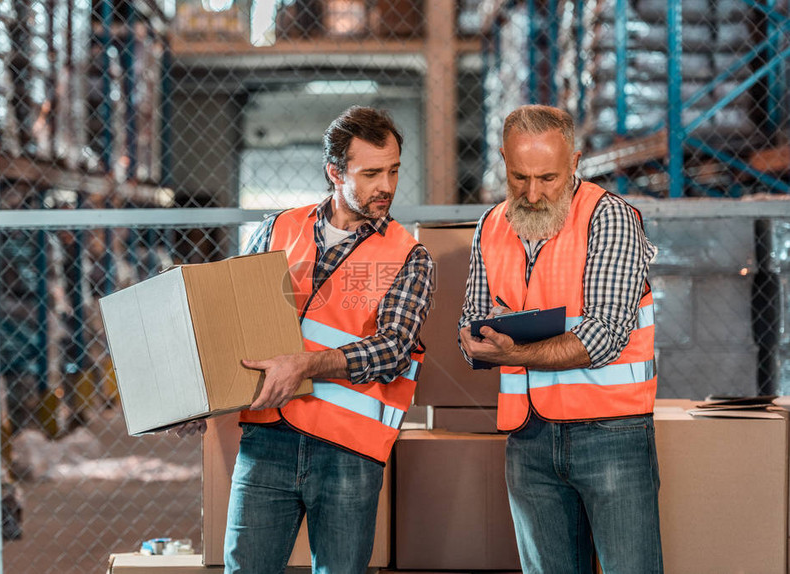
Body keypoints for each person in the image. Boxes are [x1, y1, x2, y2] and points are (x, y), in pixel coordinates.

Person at [179, 105, 433, 573]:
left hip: (349, 451)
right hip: (267, 440)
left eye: (394, 170)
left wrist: (306, 364)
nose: (388, 186)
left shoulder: (409, 255)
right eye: (372, 172)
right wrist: (198, 397)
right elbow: (232, 323)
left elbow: (394, 348)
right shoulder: (277, 229)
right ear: (334, 172)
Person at [458, 105, 661, 574]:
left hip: (610, 433)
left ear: (574, 162)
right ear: (503, 160)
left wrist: (512, 351)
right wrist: (472, 345)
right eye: (519, 177)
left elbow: (605, 335)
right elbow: (470, 320)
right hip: (528, 436)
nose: (532, 194)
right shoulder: (490, 226)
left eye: (548, 178)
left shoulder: (610, 219)